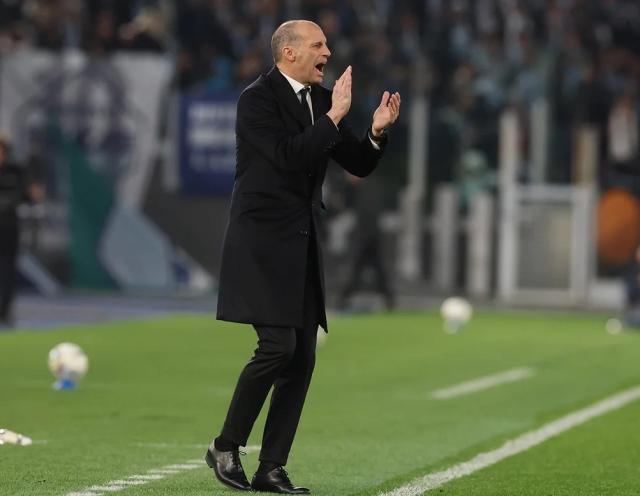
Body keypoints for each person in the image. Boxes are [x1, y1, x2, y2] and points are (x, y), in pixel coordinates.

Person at [206, 19, 401, 494]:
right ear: (289, 52)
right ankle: (225, 446)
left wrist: (376, 133)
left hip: (301, 242)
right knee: (278, 347)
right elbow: (287, 155)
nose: (327, 53)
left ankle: (271, 468)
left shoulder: (321, 100)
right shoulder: (257, 100)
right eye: (318, 45)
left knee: (303, 357)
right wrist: (332, 118)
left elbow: (357, 162)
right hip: (260, 243)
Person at [0, 135, 44, 328]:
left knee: (7, 271)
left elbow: (31, 196)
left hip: (8, 228)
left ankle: (4, 311)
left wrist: (34, 193)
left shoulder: (16, 171)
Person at [338, 172, 395, 311]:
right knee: (376, 270)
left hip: (366, 236)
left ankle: (343, 299)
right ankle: (389, 299)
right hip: (370, 236)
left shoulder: (366, 188)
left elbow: (367, 213)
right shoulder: (366, 186)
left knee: (356, 268)